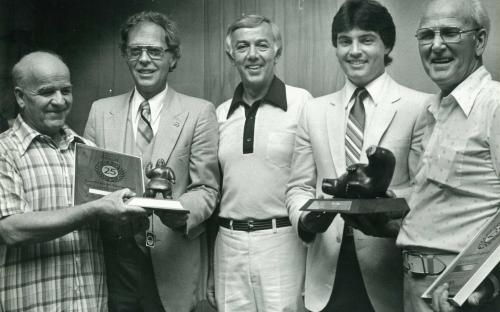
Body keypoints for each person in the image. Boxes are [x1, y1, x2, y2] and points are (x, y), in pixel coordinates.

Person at [286, 1, 430, 311]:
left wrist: (382, 202)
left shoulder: (419, 107)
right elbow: (298, 186)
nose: (354, 51)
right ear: (335, 47)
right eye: (344, 41)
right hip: (326, 275)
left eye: (366, 39)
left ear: (386, 44)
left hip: (388, 271)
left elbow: (426, 192)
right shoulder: (313, 110)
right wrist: (306, 219)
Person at [84, 11, 220, 312]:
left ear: (173, 57)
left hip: (172, 261)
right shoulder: (99, 111)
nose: (144, 59)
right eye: (135, 51)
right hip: (115, 265)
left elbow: (207, 189)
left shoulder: (199, 113)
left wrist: (182, 214)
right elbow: (89, 187)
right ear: (125, 55)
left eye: (155, 51)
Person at [0, 51, 148, 312]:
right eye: (47, 92)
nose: (59, 101)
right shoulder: (4, 151)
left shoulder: (88, 150)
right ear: (21, 97)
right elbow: (11, 229)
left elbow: (105, 227)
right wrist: (94, 209)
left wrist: (129, 217)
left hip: (90, 303)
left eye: (65, 90)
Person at [396, 0, 500, 311]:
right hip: (417, 288)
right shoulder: (432, 110)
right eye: (426, 35)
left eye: (450, 33)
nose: (436, 45)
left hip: (464, 295)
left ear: (479, 41)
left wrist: (485, 280)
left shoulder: (494, 105)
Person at [213, 14, 312, 312]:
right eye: (242, 47)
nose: (253, 55)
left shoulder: (303, 103)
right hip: (228, 245)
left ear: (277, 51)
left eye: (262, 45)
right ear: (232, 56)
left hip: (283, 242)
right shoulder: (219, 114)